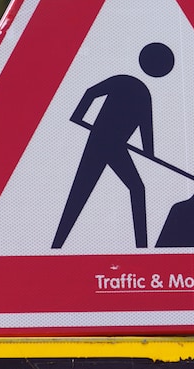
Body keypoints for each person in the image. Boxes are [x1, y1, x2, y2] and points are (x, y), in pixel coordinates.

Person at [52, 42, 174, 249]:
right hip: (100, 142)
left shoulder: (138, 90)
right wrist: (77, 116)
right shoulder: (132, 86)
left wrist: (149, 153)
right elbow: (92, 92)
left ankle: (143, 248)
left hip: (115, 146)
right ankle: (56, 246)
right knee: (80, 192)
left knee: (133, 188)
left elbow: (146, 127)